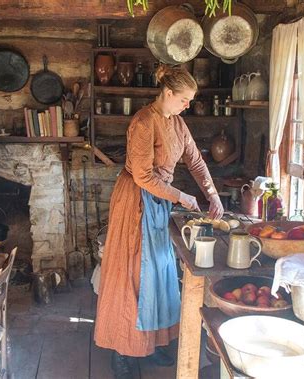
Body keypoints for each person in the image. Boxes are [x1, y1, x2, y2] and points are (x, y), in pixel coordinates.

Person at [94, 64, 223, 379]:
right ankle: (123, 353)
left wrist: (212, 194)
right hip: (136, 201)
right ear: (167, 93)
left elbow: (195, 159)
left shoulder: (177, 124)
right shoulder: (144, 122)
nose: (187, 106)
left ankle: (154, 341)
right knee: (134, 276)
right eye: (184, 99)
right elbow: (142, 176)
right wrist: (181, 197)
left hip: (159, 201)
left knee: (160, 272)